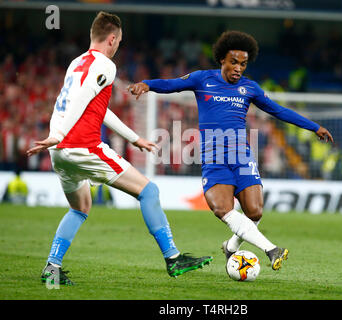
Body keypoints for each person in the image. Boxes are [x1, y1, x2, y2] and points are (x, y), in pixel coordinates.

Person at [27, 12, 212, 286]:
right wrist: (61, 133)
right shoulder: (105, 64)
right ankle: (173, 258)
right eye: (119, 41)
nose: (118, 46)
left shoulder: (77, 63)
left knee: (80, 208)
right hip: (82, 146)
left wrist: (134, 138)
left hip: (60, 152)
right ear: (112, 39)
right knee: (149, 191)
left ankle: (51, 268)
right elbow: (80, 99)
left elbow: (91, 106)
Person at [128, 31, 334, 271]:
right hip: (213, 157)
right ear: (222, 60)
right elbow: (172, 84)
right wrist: (147, 84)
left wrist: (314, 127)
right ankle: (271, 249)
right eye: (234, 62)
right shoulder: (202, 79)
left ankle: (231, 247)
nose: (238, 68)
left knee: (255, 212)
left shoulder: (250, 88)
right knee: (223, 209)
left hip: (241, 156)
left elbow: (279, 111)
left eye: (243, 64)